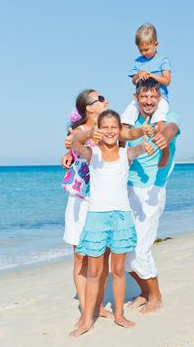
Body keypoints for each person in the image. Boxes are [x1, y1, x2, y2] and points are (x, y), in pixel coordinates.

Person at [69, 110, 154, 336]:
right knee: (95, 272)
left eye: (113, 127)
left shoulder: (126, 153)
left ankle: (119, 314)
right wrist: (90, 133)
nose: (109, 131)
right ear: (99, 129)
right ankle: (87, 318)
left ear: (119, 131)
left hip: (121, 217)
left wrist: (146, 141)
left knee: (117, 270)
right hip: (97, 217)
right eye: (104, 127)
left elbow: (139, 145)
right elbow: (75, 143)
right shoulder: (92, 153)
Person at [123, 78, 181, 314]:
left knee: (140, 248)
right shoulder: (129, 121)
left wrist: (163, 138)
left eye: (153, 97)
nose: (148, 101)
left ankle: (156, 296)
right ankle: (145, 292)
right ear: (136, 97)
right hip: (128, 188)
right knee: (125, 249)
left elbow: (172, 129)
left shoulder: (169, 117)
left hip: (152, 189)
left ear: (159, 99)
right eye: (144, 97)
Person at [60, 89, 112, 325]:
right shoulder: (77, 133)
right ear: (89, 107)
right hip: (80, 201)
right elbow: (75, 143)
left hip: (104, 199)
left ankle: (98, 305)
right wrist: (67, 153)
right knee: (80, 257)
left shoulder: (110, 129)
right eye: (99, 99)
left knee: (101, 256)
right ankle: (85, 310)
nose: (104, 100)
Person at [122, 22, 171, 167]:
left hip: (159, 97)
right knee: (125, 119)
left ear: (156, 44)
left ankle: (164, 152)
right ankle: (122, 152)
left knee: (160, 122)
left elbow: (167, 81)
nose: (143, 53)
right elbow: (133, 81)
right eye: (140, 50)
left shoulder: (163, 60)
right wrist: (139, 75)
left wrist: (152, 76)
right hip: (141, 97)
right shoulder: (138, 62)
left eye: (146, 49)